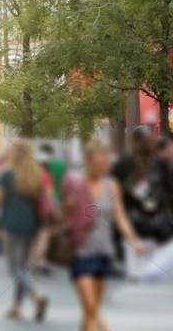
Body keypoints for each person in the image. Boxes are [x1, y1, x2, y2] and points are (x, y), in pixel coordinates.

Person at [63, 139, 145, 331]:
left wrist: (133, 240)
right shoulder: (75, 183)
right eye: (98, 164)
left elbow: (121, 216)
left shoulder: (111, 185)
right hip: (80, 253)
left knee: (91, 312)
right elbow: (62, 220)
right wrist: (67, 210)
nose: (102, 168)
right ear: (88, 161)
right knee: (91, 308)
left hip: (104, 253)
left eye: (105, 164)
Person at [0, 139, 50, 322]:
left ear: (16, 153)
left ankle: (37, 296)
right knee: (24, 267)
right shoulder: (37, 174)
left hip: (12, 225)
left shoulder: (7, 175)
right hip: (32, 225)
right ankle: (16, 307)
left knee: (16, 269)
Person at [112, 125, 173, 247]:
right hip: (135, 230)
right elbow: (116, 193)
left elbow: (169, 191)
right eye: (142, 139)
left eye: (149, 139)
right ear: (135, 141)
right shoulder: (124, 163)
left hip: (159, 229)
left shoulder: (160, 164)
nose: (147, 143)